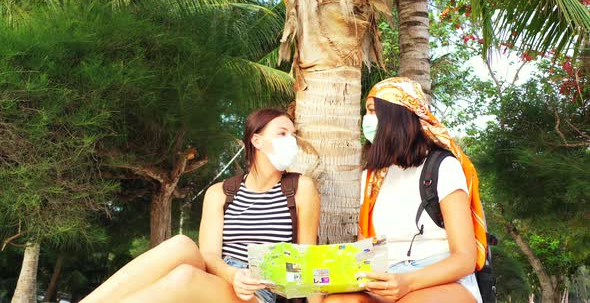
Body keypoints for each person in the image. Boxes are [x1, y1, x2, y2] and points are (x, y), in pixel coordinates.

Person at [82, 108, 321, 303]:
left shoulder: (301, 188)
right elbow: (209, 256)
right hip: (221, 275)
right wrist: (233, 274)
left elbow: (306, 260)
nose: (291, 141)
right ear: (257, 141)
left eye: (293, 135)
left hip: (259, 292)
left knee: (184, 276)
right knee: (181, 244)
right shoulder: (220, 192)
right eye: (282, 133)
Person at [323, 77, 485, 303]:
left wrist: (407, 283)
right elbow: (365, 251)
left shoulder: (443, 166)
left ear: (395, 115)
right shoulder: (370, 176)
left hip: (440, 278)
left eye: (372, 111)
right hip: (386, 278)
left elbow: (465, 259)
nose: (366, 120)